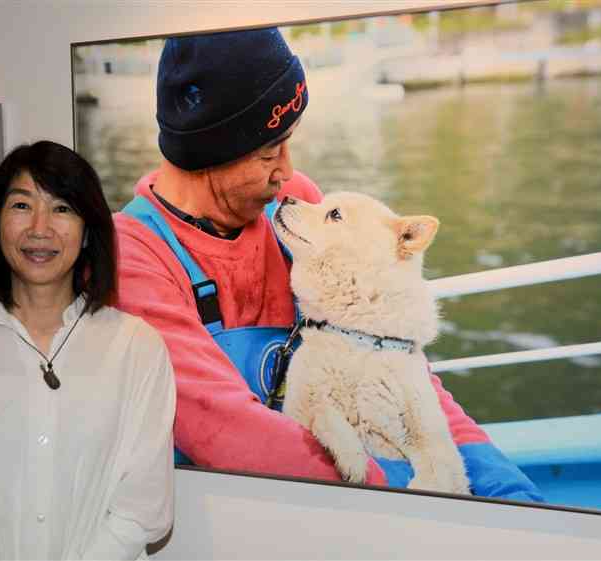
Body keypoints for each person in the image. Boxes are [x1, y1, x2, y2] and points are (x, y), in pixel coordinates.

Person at [114, 28, 543, 501]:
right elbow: (223, 432)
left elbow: (399, 365)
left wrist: (502, 487)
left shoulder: (295, 210)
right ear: (207, 153)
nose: (287, 171)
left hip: (337, 497)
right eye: (269, 151)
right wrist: (410, 490)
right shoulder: (133, 257)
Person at [0, 141, 175, 560]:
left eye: (62, 208)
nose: (39, 228)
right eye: (21, 205)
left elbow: (142, 508)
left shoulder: (137, 349)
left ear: (88, 230)